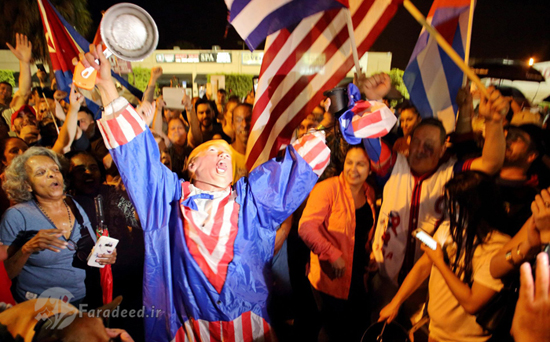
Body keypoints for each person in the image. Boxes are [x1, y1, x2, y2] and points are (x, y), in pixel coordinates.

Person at [79, 44, 330, 342]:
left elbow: (300, 166)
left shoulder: (252, 200)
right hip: (189, 330)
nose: (222, 155)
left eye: (225, 152)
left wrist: (344, 120)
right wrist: (107, 84)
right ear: (192, 165)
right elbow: (136, 155)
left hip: (249, 331)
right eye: (212, 151)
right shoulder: (167, 199)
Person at [379, 171, 511, 342]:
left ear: (475, 206)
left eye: (456, 206)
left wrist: (440, 262)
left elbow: (472, 303)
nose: (451, 211)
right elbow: (423, 266)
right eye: (450, 204)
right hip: (433, 331)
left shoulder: (497, 247)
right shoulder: (449, 229)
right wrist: (395, 303)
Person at [0, 147, 116, 305]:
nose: (51, 174)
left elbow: (91, 254)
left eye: (55, 169)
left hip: (82, 301)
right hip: (39, 308)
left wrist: (106, 255)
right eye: (41, 172)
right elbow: (4, 274)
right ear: (27, 185)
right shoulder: (16, 216)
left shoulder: (81, 204)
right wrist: (27, 249)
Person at [299, 144, 377, 341]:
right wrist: (332, 254)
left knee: (356, 331)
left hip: (359, 277)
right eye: (349, 162)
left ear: (370, 168)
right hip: (331, 279)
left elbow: (363, 233)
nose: (353, 169)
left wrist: (372, 254)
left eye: (360, 164)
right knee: (333, 332)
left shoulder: (369, 193)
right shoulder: (327, 189)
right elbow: (306, 228)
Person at [229, 103, 252, 184]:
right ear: (232, 124)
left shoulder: (264, 156)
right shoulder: (225, 156)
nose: (244, 124)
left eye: (249, 119)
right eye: (239, 120)